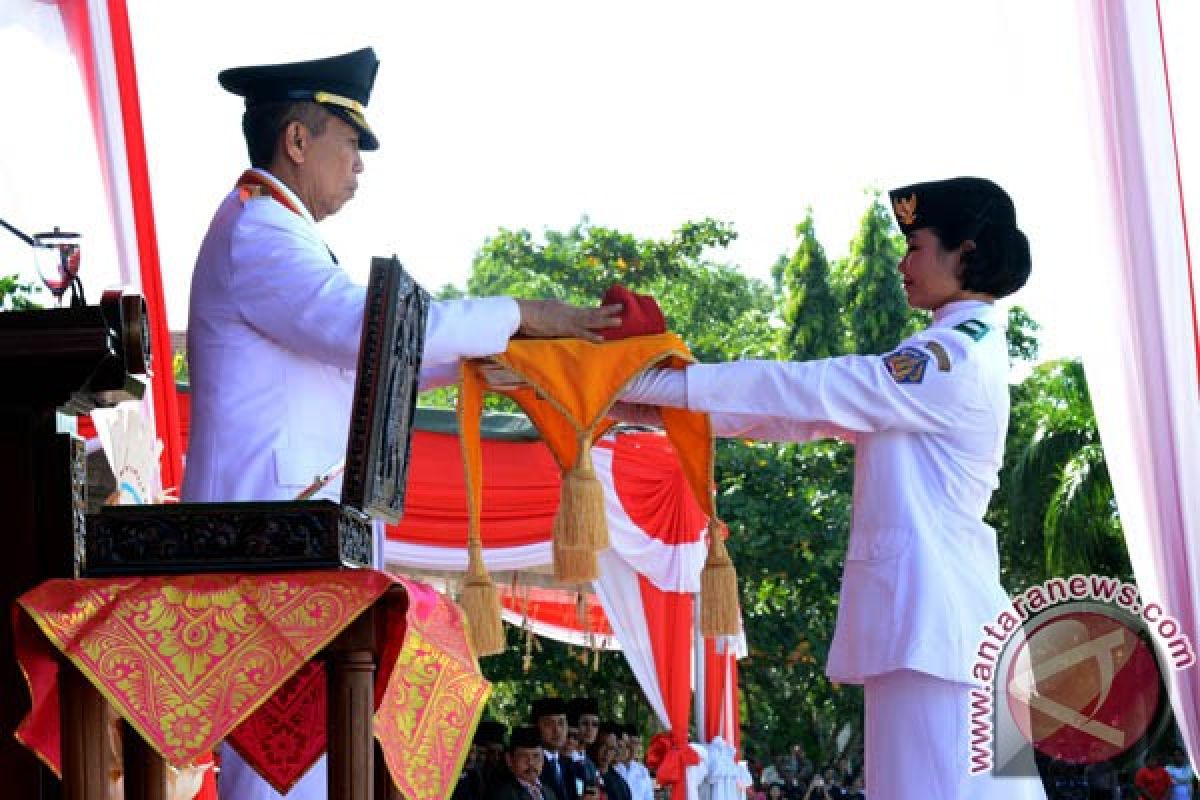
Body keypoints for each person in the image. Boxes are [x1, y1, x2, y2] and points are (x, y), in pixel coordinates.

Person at [184, 46, 619, 800]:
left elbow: (375, 356)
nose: (359, 164)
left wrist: (497, 360)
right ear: (297, 140)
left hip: (299, 548)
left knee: (322, 769)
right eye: (349, 142)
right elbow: (364, 330)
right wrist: (525, 315)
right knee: (282, 781)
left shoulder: (280, 233)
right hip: (267, 548)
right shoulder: (259, 231)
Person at [614, 177, 1047, 799]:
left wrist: (654, 389)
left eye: (916, 246)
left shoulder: (950, 358)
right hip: (945, 631)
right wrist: (651, 404)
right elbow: (805, 414)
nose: (902, 264)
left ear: (966, 253)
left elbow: (812, 389)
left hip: (938, 634)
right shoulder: (960, 347)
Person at [488, 726, 558, 800]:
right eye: (523, 756)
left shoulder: (549, 792)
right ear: (509, 760)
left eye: (536, 756)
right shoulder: (502, 795)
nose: (531, 763)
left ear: (543, 758)